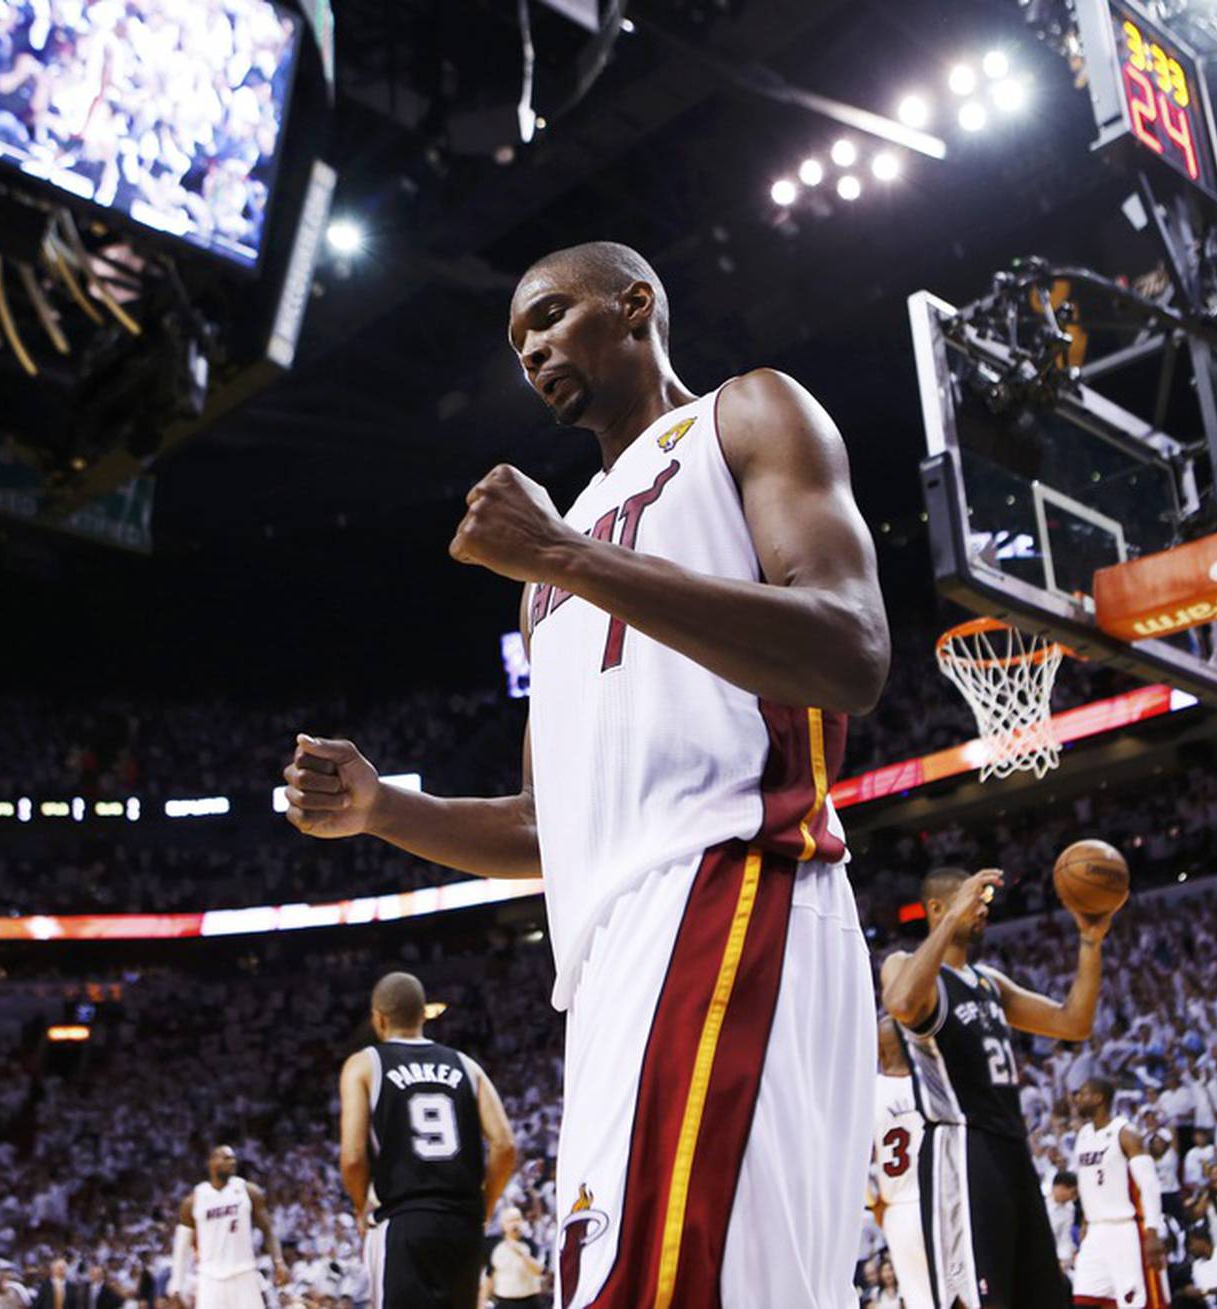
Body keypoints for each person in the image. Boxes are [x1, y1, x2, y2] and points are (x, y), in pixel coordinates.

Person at [285, 240, 890, 1304]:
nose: (531, 348)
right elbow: (541, 827)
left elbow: (850, 649)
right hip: (609, 952)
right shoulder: (543, 574)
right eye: (519, 337)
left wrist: (566, 555)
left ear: (636, 305)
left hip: (730, 881)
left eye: (553, 315)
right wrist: (385, 808)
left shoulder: (744, 416)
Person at [881, 864, 1112, 1308]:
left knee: (1040, 1296)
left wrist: (1090, 940)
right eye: (974, 901)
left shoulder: (989, 982)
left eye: (985, 903)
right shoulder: (905, 966)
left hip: (1012, 1148)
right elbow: (903, 1003)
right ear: (937, 907)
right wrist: (952, 918)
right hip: (962, 1148)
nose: (983, 910)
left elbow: (1074, 1022)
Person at [337, 972, 517, 1308]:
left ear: (378, 1018)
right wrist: (485, 1206)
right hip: (462, 1224)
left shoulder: (364, 1065)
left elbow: (352, 1157)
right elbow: (505, 1146)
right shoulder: (466, 1065)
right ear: (424, 1013)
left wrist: (362, 1207)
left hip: (404, 1221)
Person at [1068, 1077, 1168, 1309]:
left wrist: (1152, 1232)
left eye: (1082, 1094)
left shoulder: (1125, 1133)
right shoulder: (1083, 1134)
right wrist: (1085, 1219)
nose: (1077, 1099)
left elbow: (1149, 1184)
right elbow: (1089, 1182)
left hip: (1125, 1230)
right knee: (1083, 1299)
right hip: (1095, 1231)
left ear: (1098, 1098)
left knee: (1135, 1304)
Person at [173, 1145, 288, 1309]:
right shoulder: (193, 1201)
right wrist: (176, 1287)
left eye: (233, 1158)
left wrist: (278, 1261)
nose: (233, 1162)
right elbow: (181, 1248)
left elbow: (268, 1230)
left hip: (244, 1273)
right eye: (226, 1158)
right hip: (209, 1278)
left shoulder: (249, 1191)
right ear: (212, 1163)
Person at [872, 1018, 932, 1309]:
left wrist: (874, 1204)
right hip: (940, 1203)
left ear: (879, 1051)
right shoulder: (933, 1084)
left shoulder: (869, 1093)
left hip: (899, 1209)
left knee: (919, 1300)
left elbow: (858, 1166)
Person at [479, 1206, 545, 1309]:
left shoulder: (531, 1244)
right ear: (503, 1225)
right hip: (505, 1302)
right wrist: (482, 1303)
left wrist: (522, 1254)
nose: (515, 1224)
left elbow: (539, 1271)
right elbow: (489, 1276)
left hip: (530, 1301)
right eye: (510, 1220)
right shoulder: (494, 1247)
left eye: (518, 1219)